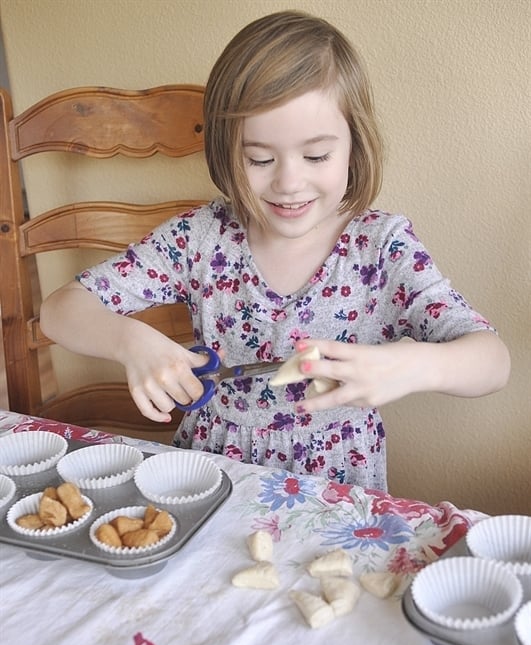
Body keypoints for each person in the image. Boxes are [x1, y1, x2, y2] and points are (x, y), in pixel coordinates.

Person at [40, 10, 510, 491]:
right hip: (208, 479)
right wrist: (129, 342)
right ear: (227, 152)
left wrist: (412, 366)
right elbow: (59, 312)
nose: (288, 182)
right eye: (259, 158)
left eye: (316, 156)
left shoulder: (381, 249)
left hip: (336, 491)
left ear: (355, 146)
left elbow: (492, 361)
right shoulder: (199, 238)